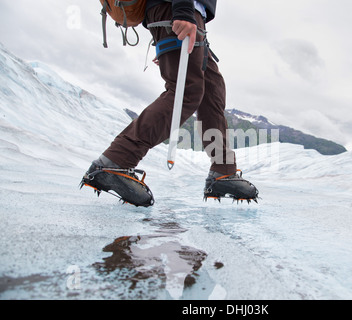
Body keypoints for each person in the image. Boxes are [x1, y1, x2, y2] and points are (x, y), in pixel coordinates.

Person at [81, 0, 258, 206]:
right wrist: (182, 11)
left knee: (212, 90)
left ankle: (223, 172)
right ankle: (116, 161)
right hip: (177, 7)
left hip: (187, 12)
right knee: (186, 91)